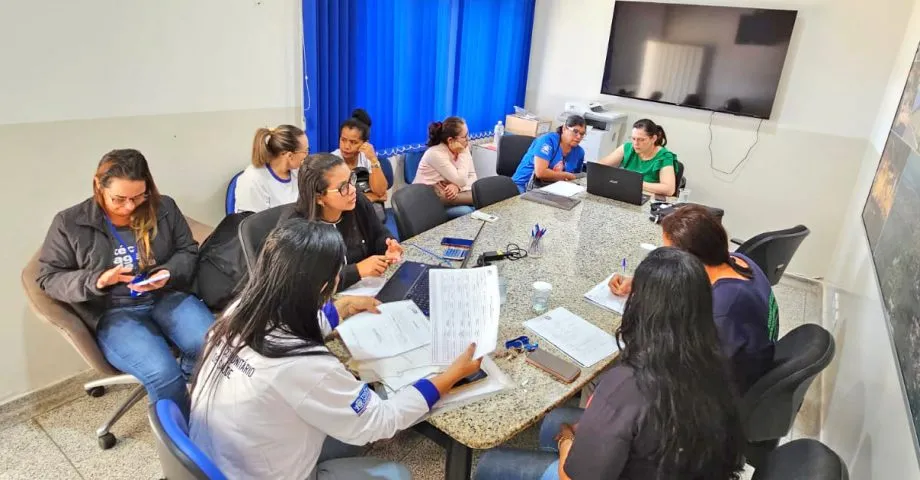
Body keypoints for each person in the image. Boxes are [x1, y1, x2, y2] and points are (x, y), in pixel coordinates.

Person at [189, 219, 483, 480]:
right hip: (267, 470)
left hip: (220, 456)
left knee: (350, 426)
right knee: (396, 472)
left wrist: (340, 308)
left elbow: (289, 322)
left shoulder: (241, 310)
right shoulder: (306, 366)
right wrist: (450, 375)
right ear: (324, 286)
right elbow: (382, 419)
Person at [475, 248, 746, 480]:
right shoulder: (713, 358)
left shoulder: (628, 384)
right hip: (676, 465)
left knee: (490, 463)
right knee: (552, 422)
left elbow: (571, 477)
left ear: (640, 307)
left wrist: (566, 441)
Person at [36, 149, 214, 418]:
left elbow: (188, 250)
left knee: (212, 346)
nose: (130, 207)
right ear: (98, 185)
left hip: (166, 295)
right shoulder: (70, 223)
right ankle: (180, 439)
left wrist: (167, 272)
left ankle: (190, 393)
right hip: (114, 309)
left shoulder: (163, 207)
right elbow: (48, 278)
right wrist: (96, 279)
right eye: (119, 199)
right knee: (162, 373)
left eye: (138, 197)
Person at [609, 205, 779, 393]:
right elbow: (691, 281)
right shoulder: (739, 260)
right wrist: (643, 281)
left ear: (690, 259)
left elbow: (687, 374)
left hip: (721, 395)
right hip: (747, 364)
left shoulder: (721, 311)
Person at [291, 153, 403, 290]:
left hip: (366, 289)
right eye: (343, 187)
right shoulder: (297, 228)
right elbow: (309, 285)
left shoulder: (358, 202)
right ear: (319, 198)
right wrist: (357, 271)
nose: (353, 190)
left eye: (351, 180)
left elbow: (378, 232)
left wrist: (389, 245)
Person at [234, 124, 309, 213]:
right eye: (305, 151)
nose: (307, 155)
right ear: (290, 156)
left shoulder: (297, 171)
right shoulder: (252, 180)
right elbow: (252, 223)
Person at [413, 116, 478, 218]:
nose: (468, 140)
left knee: (480, 197)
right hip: (428, 198)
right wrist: (463, 153)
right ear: (450, 140)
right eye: (465, 136)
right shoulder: (435, 153)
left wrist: (457, 187)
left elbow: (472, 176)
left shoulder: (462, 147)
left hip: (448, 194)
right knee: (478, 199)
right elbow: (461, 180)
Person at [598, 119, 677, 196]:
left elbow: (669, 189)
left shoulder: (664, 156)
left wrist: (634, 182)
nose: (636, 143)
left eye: (641, 140)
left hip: (648, 198)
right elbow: (598, 167)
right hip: (626, 193)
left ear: (653, 139)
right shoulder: (628, 148)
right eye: (633, 138)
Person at [511, 115, 587, 193]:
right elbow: (540, 173)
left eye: (582, 134)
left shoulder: (579, 152)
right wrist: (566, 175)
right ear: (564, 128)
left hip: (552, 189)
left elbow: (576, 178)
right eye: (575, 131)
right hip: (523, 186)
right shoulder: (547, 141)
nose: (578, 137)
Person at [332, 109, 389, 203]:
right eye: (343, 140)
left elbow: (381, 192)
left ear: (364, 144)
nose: (346, 146)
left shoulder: (366, 158)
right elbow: (341, 200)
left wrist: (373, 160)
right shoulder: (333, 160)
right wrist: (372, 197)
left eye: (353, 142)